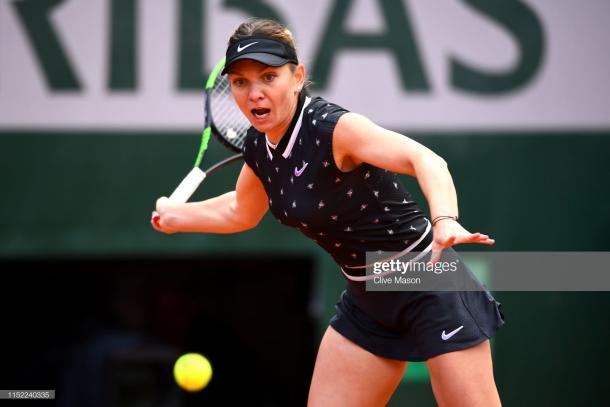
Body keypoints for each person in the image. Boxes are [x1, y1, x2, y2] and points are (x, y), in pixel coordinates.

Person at [152, 18, 504, 406]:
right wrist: (176, 217)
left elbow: (425, 159)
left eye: (268, 77)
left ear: (297, 76)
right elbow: (242, 210)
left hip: (430, 278)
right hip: (367, 297)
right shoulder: (258, 146)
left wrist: (444, 220)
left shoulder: (333, 128)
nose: (254, 93)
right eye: (240, 82)